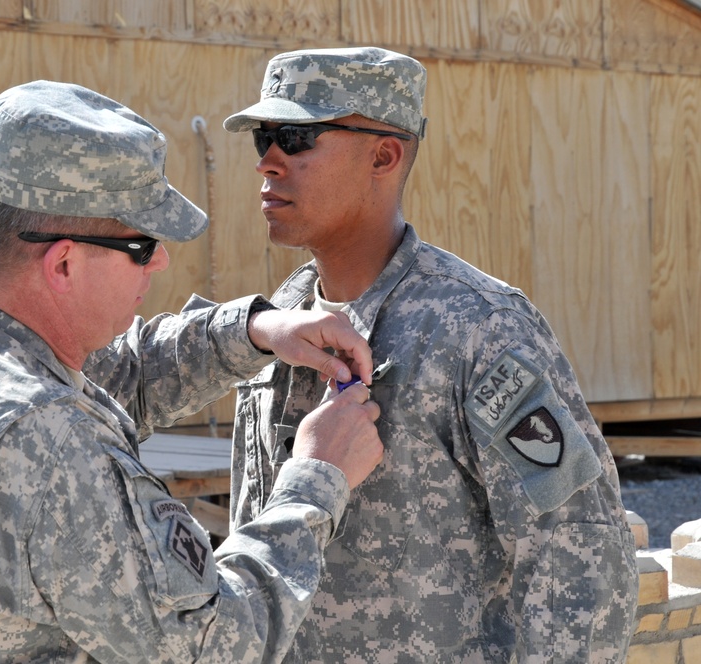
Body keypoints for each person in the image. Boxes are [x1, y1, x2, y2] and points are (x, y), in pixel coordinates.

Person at [0, 80, 386, 663]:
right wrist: (317, 477)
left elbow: (118, 373)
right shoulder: (53, 442)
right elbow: (213, 645)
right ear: (63, 261)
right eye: (141, 245)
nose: (159, 260)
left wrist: (257, 330)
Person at [220, 47, 639, 662]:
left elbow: (580, 563)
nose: (270, 163)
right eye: (263, 138)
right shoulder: (278, 324)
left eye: (296, 136)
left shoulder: (477, 328)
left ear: (383, 155)